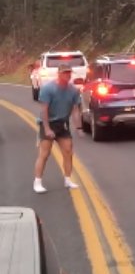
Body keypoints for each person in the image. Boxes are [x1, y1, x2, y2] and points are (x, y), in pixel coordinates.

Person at [34, 64, 82, 194]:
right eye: (65, 73)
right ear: (59, 74)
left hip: (62, 124)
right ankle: (37, 182)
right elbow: (44, 110)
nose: (68, 75)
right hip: (48, 122)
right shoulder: (48, 88)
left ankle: (67, 179)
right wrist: (47, 128)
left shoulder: (73, 90)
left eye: (69, 73)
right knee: (45, 154)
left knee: (68, 151)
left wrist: (79, 127)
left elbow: (76, 110)